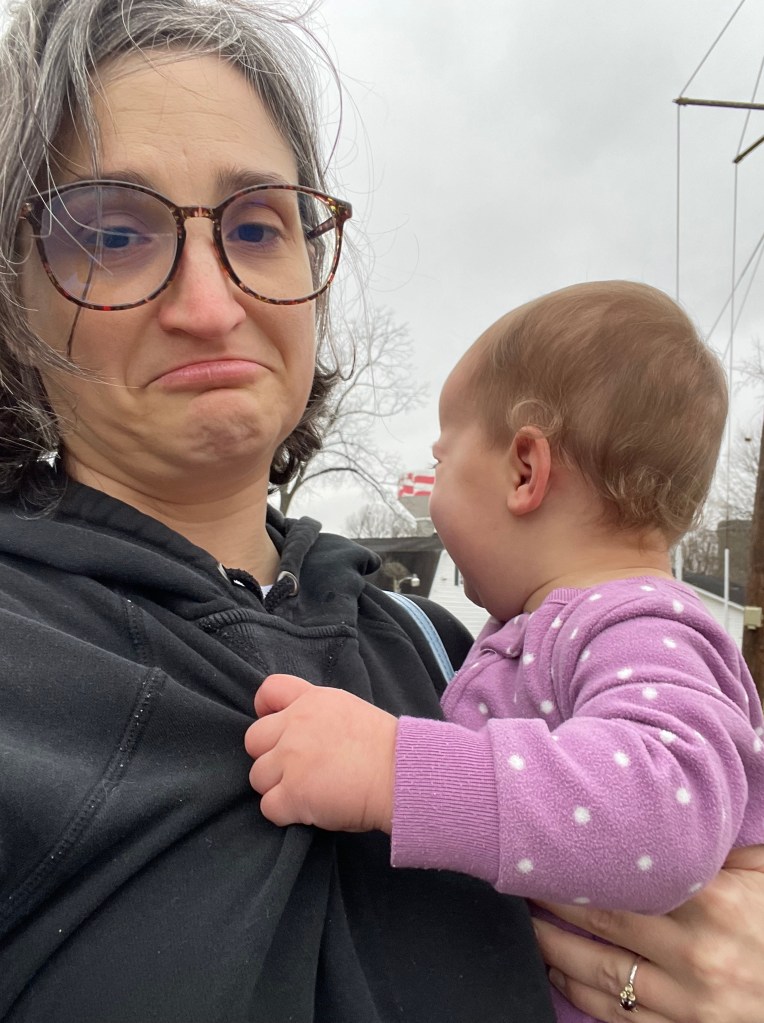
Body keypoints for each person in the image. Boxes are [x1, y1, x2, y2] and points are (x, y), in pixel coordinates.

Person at [0, 1, 760, 1020]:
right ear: (16, 292)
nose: (208, 304)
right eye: (113, 233)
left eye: (257, 225)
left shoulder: (444, 650)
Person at [245, 281, 764, 1022]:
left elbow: (667, 807)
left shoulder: (640, 623)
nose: (433, 479)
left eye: (443, 451)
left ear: (525, 470)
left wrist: (392, 769)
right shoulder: (554, 628)